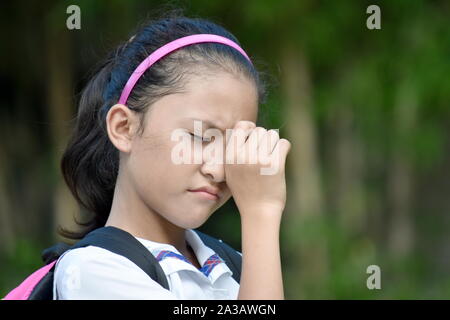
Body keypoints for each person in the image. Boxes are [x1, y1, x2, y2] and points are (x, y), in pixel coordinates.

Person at [54, 13, 291, 300]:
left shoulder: (236, 266)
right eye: (201, 136)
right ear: (124, 128)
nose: (218, 170)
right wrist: (261, 212)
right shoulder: (93, 271)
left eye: (233, 146)